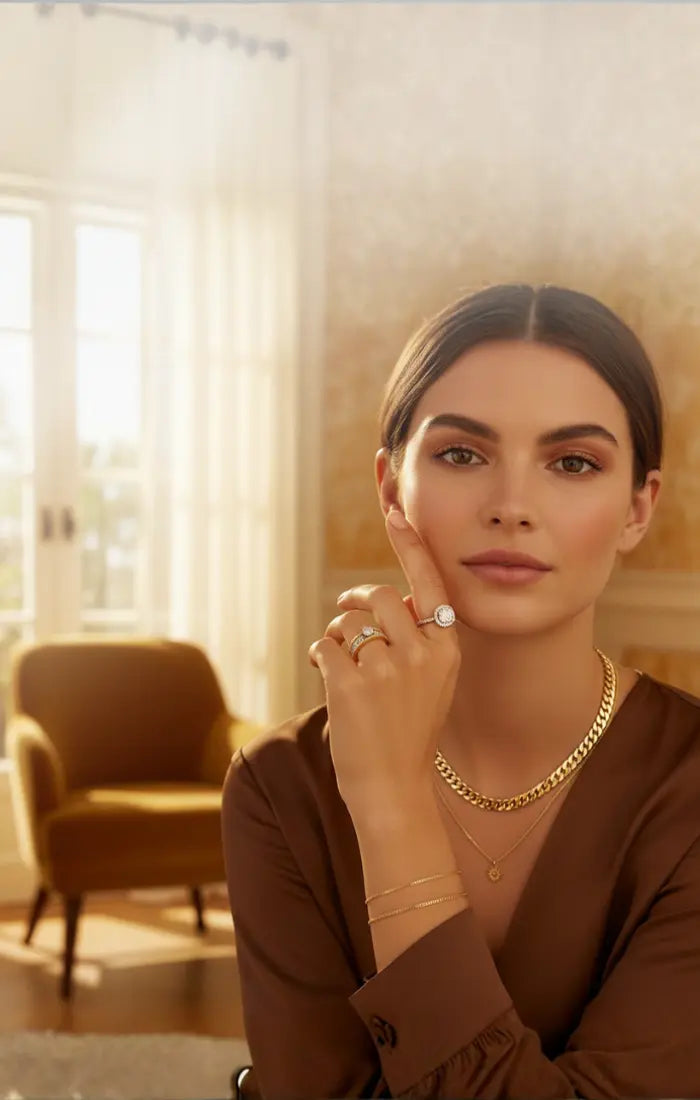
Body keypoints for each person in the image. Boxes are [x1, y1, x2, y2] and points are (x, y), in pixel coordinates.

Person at [222, 283, 700, 1099]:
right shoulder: (280, 787)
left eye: (573, 463)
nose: (512, 506)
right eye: (462, 455)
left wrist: (392, 805)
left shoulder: (686, 788)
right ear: (388, 488)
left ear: (636, 509)